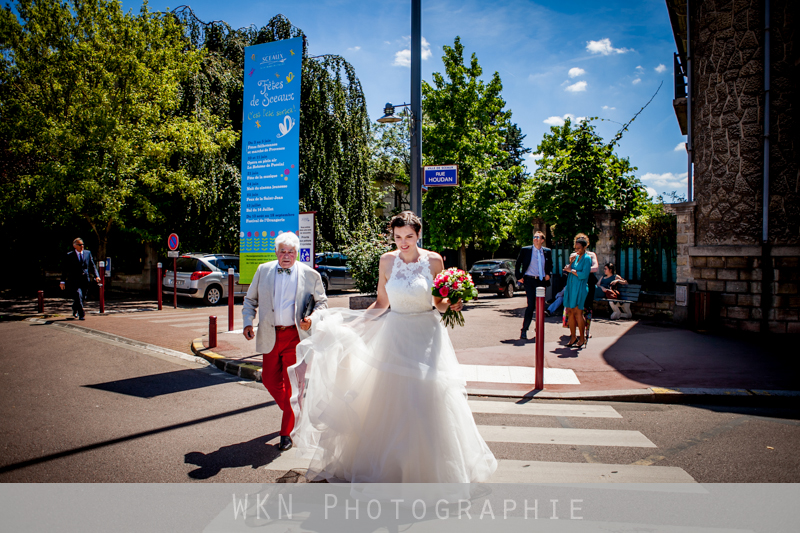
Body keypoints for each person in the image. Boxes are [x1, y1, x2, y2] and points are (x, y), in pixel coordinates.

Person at [288, 211, 498, 483]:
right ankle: (393, 467)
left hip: (427, 336)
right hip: (395, 335)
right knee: (392, 401)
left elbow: (439, 303)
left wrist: (453, 304)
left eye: (409, 236)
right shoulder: (387, 261)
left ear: (418, 234)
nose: (403, 242)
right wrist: (355, 327)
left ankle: (431, 470)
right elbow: (381, 303)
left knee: (427, 397)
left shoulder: (434, 260)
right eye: (398, 237)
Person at [242, 231, 327, 452]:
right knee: (270, 381)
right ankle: (296, 412)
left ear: (297, 253)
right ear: (277, 252)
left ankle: (286, 433)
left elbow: (322, 304)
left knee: (292, 388)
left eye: (290, 251)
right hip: (270, 335)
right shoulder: (264, 271)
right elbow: (250, 299)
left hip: (296, 337)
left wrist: (312, 318)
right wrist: (247, 322)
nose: (286, 255)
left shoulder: (310, 275)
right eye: (282, 251)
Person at [515, 230, 553, 340]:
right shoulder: (526, 250)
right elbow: (518, 264)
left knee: (540, 306)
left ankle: (539, 329)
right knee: (531, 305)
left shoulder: (547, 251)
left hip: (540, 281)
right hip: (529, 280)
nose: (535, 239)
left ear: (542, 240)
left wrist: (548, 274)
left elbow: (550, 265)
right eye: (534, 237)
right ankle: (524, 330)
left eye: (538, 237)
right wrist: (519, 277)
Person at [561, 235, 592, 348]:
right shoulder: (576, 257)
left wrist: (571, 270)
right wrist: (569, 264)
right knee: (569, 311)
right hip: (571, 286)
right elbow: (570, 269)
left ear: (584, 247)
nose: (576, 250)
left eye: (578, 248)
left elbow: (584, 275)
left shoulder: (587, 258)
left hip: (580, 287)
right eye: (575, 248)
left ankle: (582, 338)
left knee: (578, 312)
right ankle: (573, 336)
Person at [60, 238, 100, 320]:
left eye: (82, 244)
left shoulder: (87, 253)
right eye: (79, 245)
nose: (82, 246)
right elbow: (65, 269)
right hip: (74, 280)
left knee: (83, 297)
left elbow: (92, 266)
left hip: (85, 279)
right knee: (78, 294)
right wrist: (62, 281)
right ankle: (81, 313)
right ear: (74, 246)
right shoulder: (69, 255)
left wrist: (96, 276)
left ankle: (75, 308)